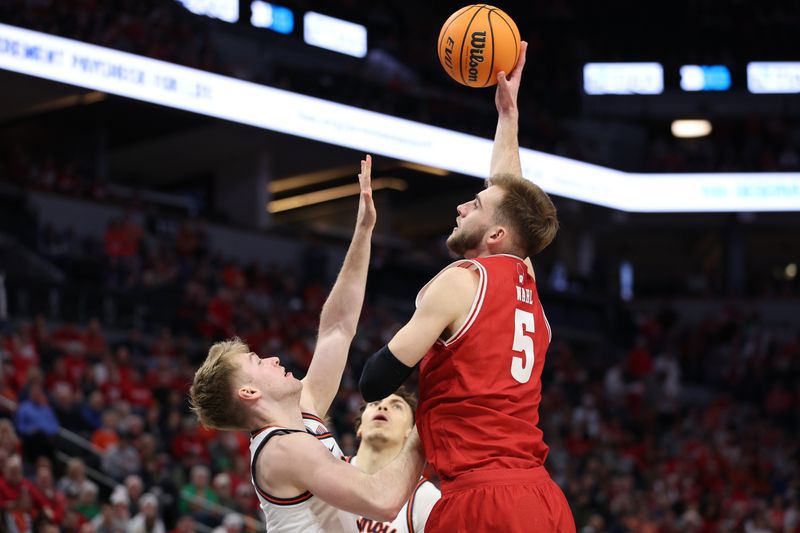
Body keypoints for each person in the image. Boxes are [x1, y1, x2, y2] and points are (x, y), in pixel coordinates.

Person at [359, 43, 576, 532]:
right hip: (543, 498)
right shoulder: (528, 286)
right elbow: (509, 194)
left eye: (473, 206)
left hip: (481, 499)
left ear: (495, 235)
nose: (461, 207)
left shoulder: (461, 281)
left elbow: (374, 382)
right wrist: (507, 114)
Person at [190, 156, 425, 533]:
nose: (272, 357)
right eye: (257, 361)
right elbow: (382, 501)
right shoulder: (281, 450)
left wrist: (363, 231)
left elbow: (336, 327)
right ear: (249, 392)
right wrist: (429, 419)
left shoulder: (303, 412)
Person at [347, 387, 440, 533]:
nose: (382, 406)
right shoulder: (329, 467)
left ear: (411, 432)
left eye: (397, 406)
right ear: (360, 427)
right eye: (374, 403)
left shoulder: (425, 497)